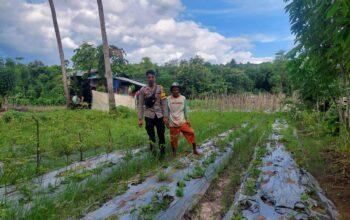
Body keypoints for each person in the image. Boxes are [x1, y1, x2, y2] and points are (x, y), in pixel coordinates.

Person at [138, 70, 168, 157]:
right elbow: (140, 105)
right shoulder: (142, 90)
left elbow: (164, 102)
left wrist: (165, 116)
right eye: (149, 77)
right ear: (147, 78)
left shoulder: (160, 88)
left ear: (155, 77)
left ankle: (162, 153)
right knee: (151, 136)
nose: (151, 79)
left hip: (159, 115)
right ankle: (153, 154)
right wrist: (140, 118)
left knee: (161, 134)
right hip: (149, 116)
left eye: (152, 77)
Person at [166, 82, 200, 157]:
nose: (175, 91)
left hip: (182, 121)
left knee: (191, 132)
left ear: (179, 90)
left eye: (177, 89)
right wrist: (166, 121)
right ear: (171, 90)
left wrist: (187, 118)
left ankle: (194, 150)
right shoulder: (168, 99)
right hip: (172, 122)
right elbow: (167, 110)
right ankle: (174, 154)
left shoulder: (183, 98)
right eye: (174, 90)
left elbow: (185, 110)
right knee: (173, 140)